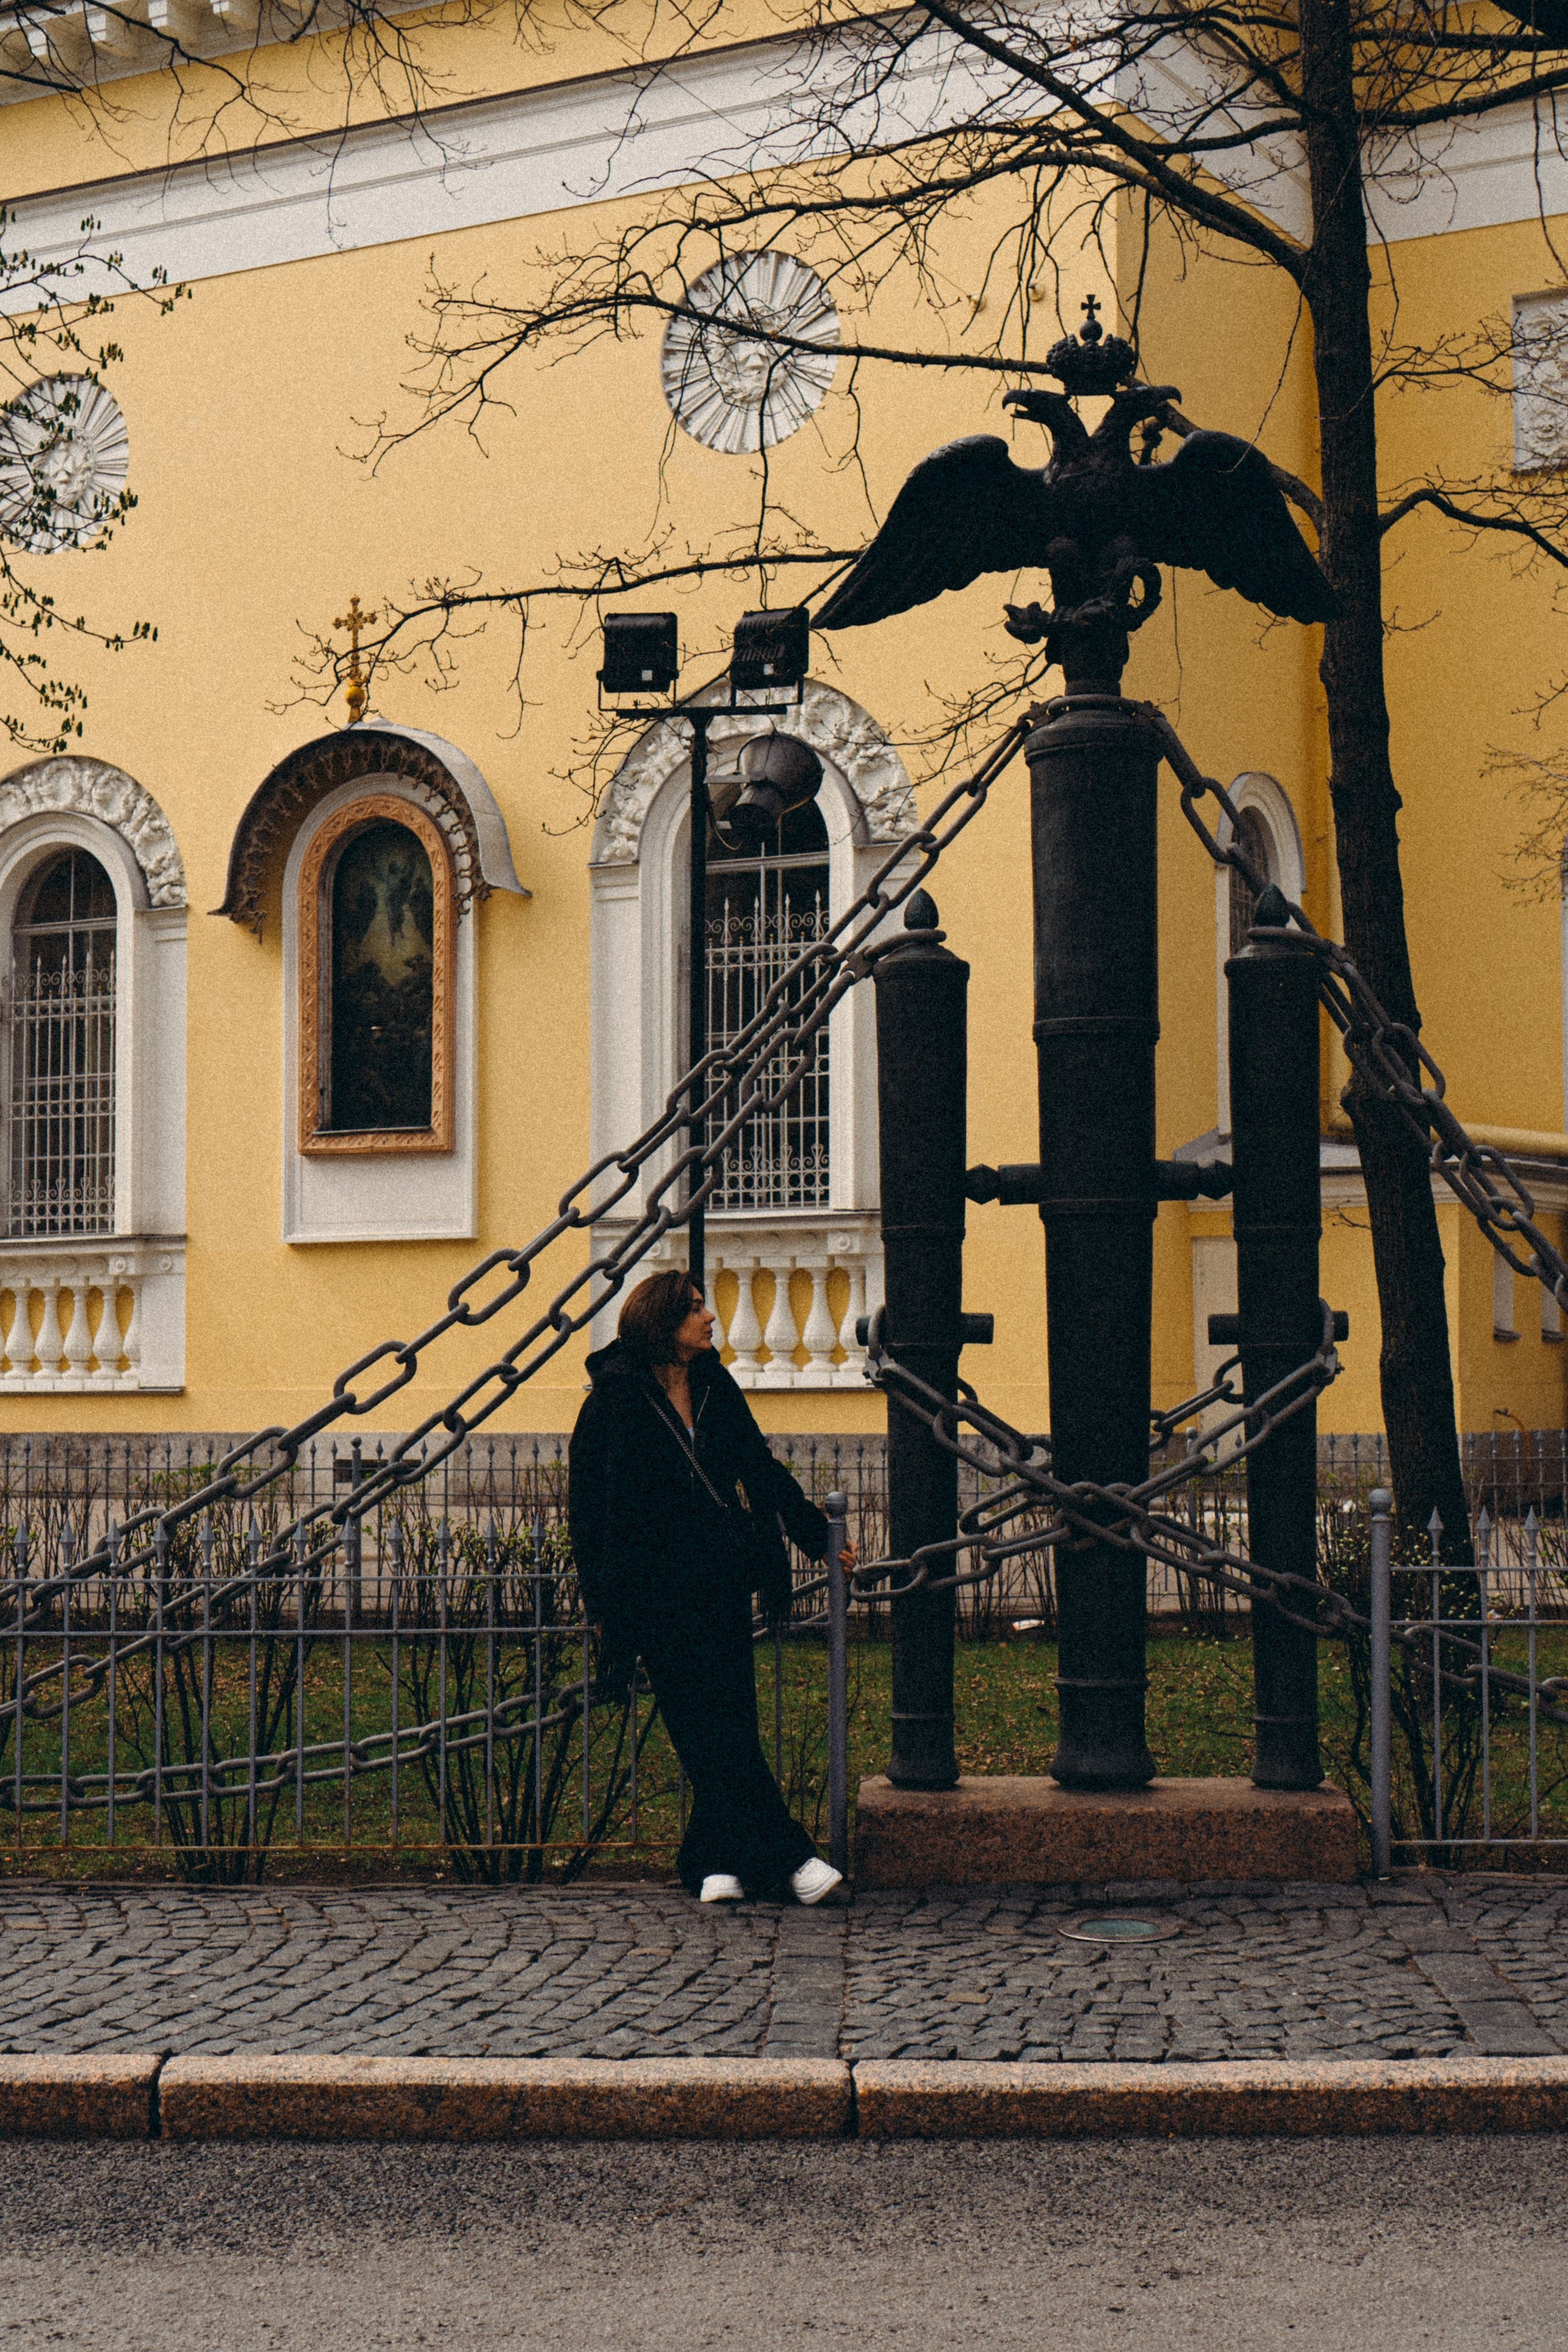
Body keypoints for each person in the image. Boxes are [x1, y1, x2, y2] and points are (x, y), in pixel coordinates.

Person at [568, 1267, 858, 1904]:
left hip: (721, 1582)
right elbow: (588, 1513)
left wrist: (818, 1536)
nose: (710, 1318)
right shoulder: (613, 1400)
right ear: (664, 1322)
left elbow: (758, 1467)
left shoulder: (712, 1385)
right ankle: (794, 1859)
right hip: (654, 1593)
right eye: (696, 1308)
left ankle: (711, 1860)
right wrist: (601, 1606)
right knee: (703, 1729)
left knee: (729, 1723)